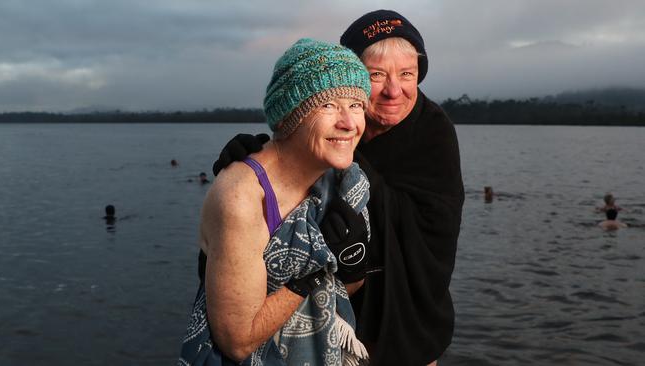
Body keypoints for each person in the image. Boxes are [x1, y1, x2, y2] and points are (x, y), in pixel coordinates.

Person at [212, 10, 465, 365]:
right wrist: (268, 157)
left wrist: (331, 155)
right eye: (377, 75)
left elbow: (430, 229)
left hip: (408, 325)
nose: (395, 90)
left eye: (407, 74)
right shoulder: (338, 125)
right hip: (331, 319)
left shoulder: (433, 132)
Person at [179, 39, 373, 365]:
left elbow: (343, 286)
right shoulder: (242, 197)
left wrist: (353, 263)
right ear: (289, 117)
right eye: (327, 105)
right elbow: (237, 343)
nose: (349, 122)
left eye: (356, 105)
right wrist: (308, 276)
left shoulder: (339, 180)